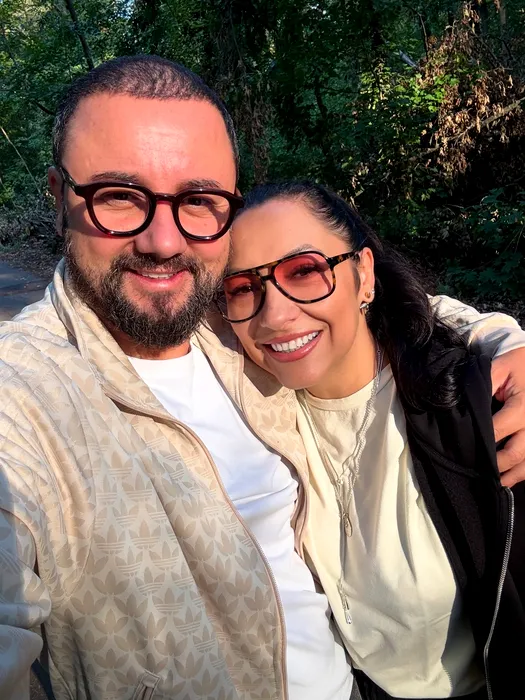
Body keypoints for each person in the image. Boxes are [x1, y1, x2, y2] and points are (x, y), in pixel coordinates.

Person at [0, 56, 524, 700]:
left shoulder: (226, 322)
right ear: (60, 198)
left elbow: (370, 306)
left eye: (198, 201)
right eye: (119, 197)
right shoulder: (24, 395)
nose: (163, 241)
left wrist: (501, 339)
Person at [221, 180, 525, 700]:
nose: (274, 315)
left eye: (304, 271)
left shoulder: (470, 408)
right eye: (243, 288)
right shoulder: (255, 407)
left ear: (363, 275)